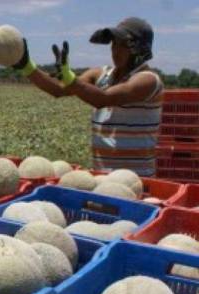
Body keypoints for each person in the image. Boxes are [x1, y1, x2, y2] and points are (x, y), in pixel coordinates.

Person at [13, 17, 163, 177]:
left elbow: (103, 99)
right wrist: (27, 66)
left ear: (139, 50)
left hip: (137, 180)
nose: (115, 50)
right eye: (114, 43)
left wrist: (69, 78)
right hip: (101, 178)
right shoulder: (101, 74)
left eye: (123, 45)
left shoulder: (148, 80)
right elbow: (59, 89)